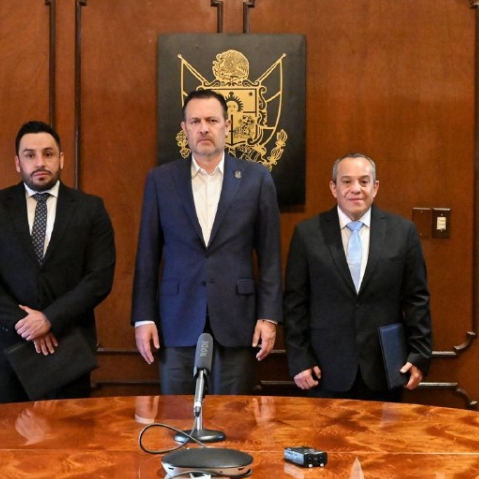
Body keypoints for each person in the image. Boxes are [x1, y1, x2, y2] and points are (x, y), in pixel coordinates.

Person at [131, 89, 282, 395]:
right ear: (184, 128)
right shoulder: (161, 180)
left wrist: (268, 317)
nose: (203, 128)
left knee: (233, 416)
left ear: (227, 125)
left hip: (237, 320)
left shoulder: (256, 178)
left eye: (212, 120)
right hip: (176, 319)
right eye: (195, 121)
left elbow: (270, 256)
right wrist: (143, 317)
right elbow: (147, 254)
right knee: (177, 416)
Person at [283, 153, 432, 402]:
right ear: (334, 187)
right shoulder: (307, 234)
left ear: (375, 187)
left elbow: (417, 300)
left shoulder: (402, 232)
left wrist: (419, 356)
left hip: (386, 369)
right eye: (347, 181)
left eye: (364, 181)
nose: (356, 189)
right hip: (324, 369)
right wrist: (299, 359)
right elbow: (294, 303)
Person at [0, 121, 116, 403]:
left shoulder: (90, 209)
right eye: (30, 155)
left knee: (67, 430)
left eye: (48, 154)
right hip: (8, 350)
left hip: (67, 348)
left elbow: (99, 278)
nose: (40, 162)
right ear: (17, 162)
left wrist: (49, 319)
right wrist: (27, 324)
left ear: (61, 159)